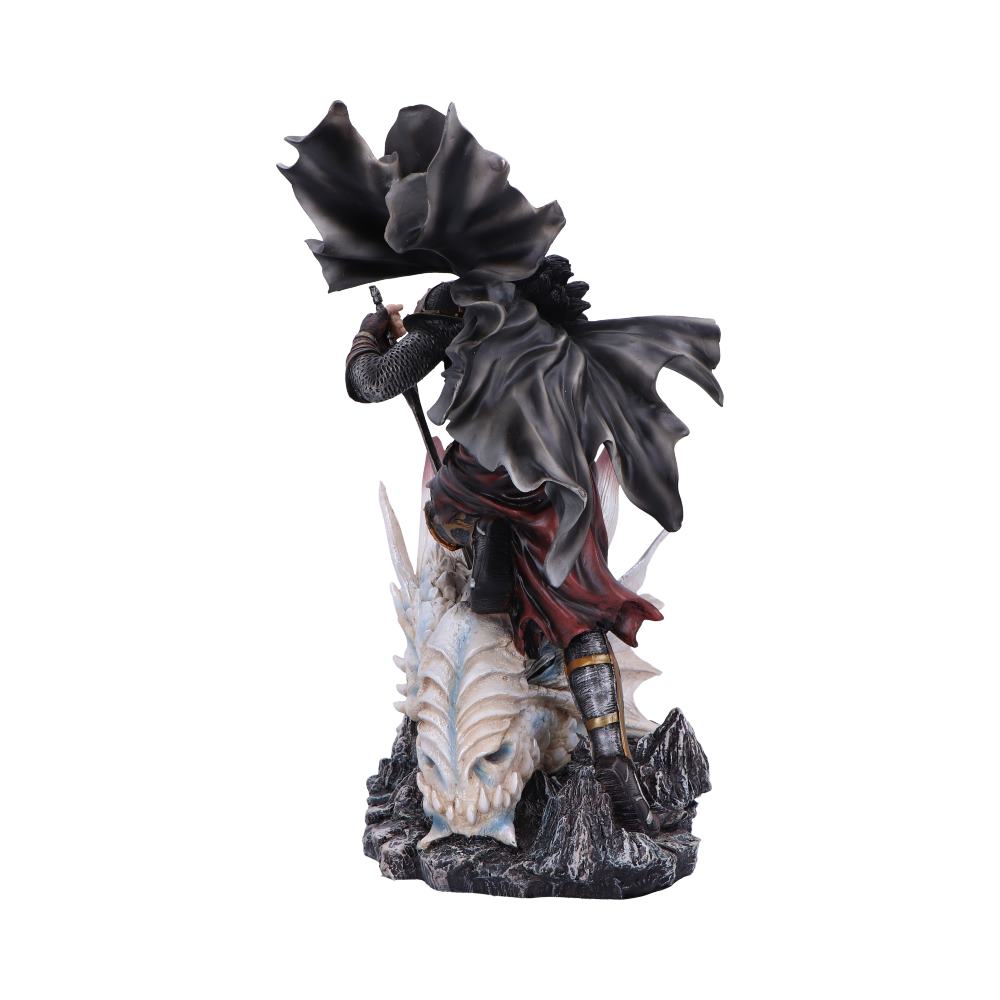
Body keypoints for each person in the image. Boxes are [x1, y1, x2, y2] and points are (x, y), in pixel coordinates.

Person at [282, 101, 723, 835]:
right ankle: (609, 761)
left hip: (489, 492)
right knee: (577, 620)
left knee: (483, 552)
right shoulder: (535, 300)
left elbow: (375, 382)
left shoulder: (457, 305)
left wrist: (370, 333)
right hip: (553, 497)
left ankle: (515, 613)